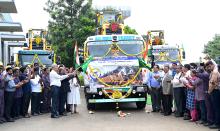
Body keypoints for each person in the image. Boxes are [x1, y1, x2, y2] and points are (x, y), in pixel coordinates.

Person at [206, 61, 220, 129]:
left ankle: (217, 123)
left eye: (209, 66)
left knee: (216, 108)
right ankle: (216, 122)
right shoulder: (213, 71)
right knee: (215, 108)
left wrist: (209, 91)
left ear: (212, 65)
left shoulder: (214, 72)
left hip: (215, 91)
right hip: (215, 91)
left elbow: (212, 83)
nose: (208, 68)